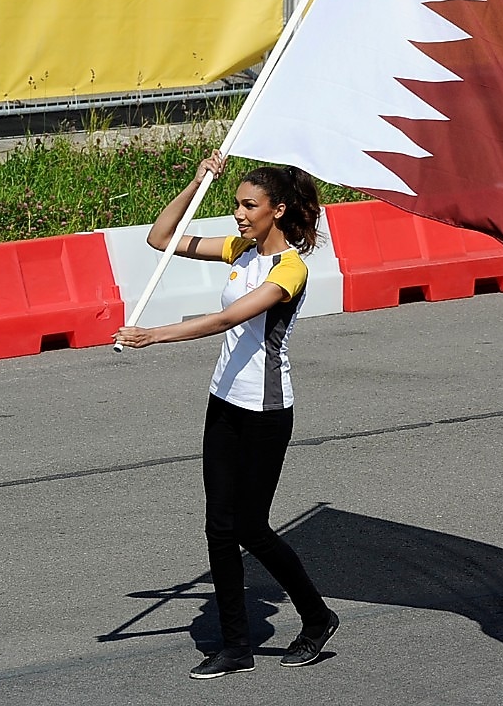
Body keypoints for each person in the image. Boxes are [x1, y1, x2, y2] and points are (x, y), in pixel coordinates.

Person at [115, 151, 339, 679]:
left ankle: (317, 616)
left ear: (277, 210)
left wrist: (153, 335)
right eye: (236, 203)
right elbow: (161, 238)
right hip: (223, 401)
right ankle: (236, 646)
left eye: (249, 205)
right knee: (219, 527)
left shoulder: (291, 269)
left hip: (264, 410)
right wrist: (196, 183)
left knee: (251, 528)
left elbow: (226, 319)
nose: (238, 214)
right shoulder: (240, 249)